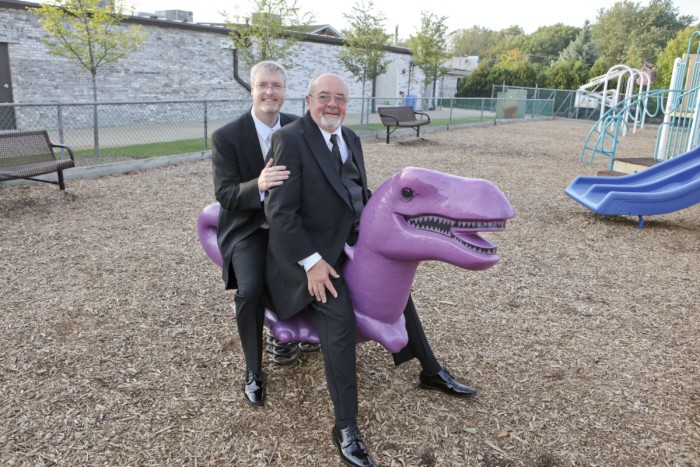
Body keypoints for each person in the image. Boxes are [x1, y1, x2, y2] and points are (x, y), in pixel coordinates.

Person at [264, 73, 476, 467]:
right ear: (309, 99)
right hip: (307, 259)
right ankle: (345, 426)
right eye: (324, 97)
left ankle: (430, 371)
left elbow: (360, 196)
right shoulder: (290, 139)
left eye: (340, 98)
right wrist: (311, 263)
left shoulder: (351, 139)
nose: (332, 105)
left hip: (348, 246)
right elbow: (280, 213)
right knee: (339, 316)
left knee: (400, 296)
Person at [211, 60, 297, 407]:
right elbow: (226, 195)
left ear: (284, 91)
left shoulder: (298, 127)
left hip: (290, 226)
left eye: (276, 86)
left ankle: (300, 335)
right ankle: (253, 369)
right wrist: (258, 185)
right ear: (252, 89)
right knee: (249, 290)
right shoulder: (227, 136)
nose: (270, 92)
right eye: (263, 85)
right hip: (250, 228)